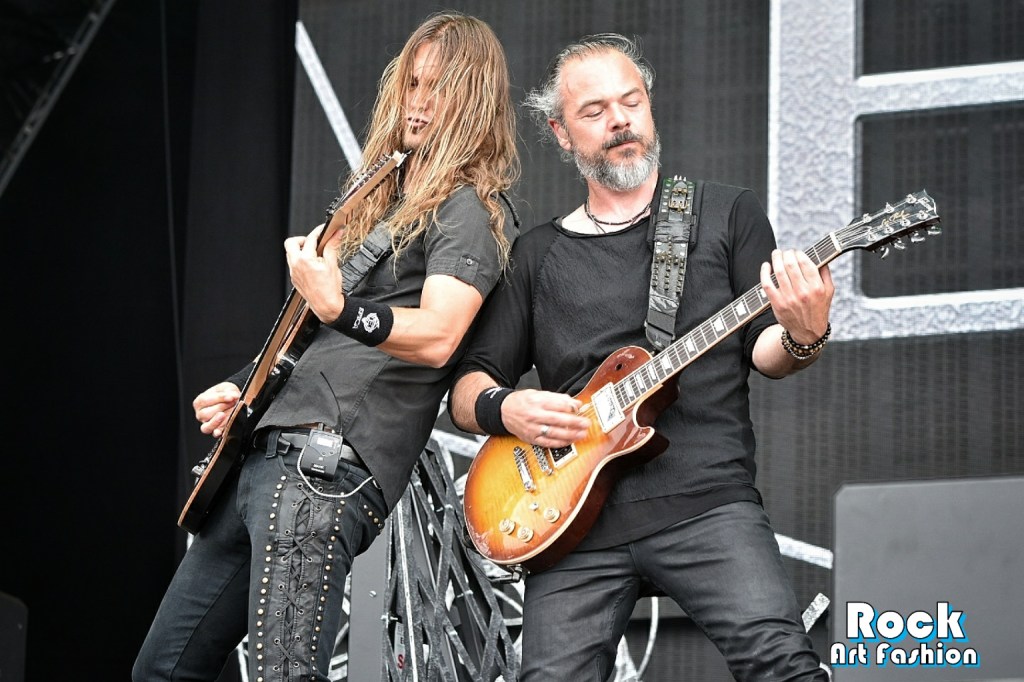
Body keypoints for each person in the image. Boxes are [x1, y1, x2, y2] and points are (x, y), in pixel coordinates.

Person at [134, 12, 519, 681]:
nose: (418, 103)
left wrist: (340, 306)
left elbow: (438, 336)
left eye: (438, 89)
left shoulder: (466, 209)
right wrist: (244, 387)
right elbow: (317, 342)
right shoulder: (378, 200)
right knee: (161, 670)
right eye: (412, 84)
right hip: (259, 461)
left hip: (320, 472)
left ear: (474, 100)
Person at [449, 34, 833, 680]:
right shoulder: (536, 256)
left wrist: (805, 332)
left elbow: (768, 351)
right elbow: (467, 389)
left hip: (705, 499)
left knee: (782, 664)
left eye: (631, 102)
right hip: (568, 522)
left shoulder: (726, 214)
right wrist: (506, 407)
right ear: (561, 132)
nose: (620, 120)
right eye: (595, 110)